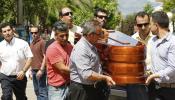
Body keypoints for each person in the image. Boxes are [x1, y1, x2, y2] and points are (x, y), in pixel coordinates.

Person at [69, 20, 115, 100]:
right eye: (99, 34)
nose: (100, 36)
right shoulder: (81, 48)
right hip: (82, 91)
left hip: (91, 88)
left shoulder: (91, 45)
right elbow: (87, 74)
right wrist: (105, 77)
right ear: (90, 35)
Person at [146, 11, 175, 100]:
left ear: (156, 25)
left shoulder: (172, 42)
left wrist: (154, 75)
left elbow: (172, 67)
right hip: (153, 88)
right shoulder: (152, 41)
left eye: (150, 24)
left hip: (169, 91)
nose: (149, 27)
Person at [0, 22, 33, 100]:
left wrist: (23, 71)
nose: (7, 33)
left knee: (21, 97)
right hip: (5, 76)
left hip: (19, 77)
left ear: (12, 30)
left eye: (9, 30)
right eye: (4, 31)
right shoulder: (0, 46)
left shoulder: (22, 43)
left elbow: (30, 58)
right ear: (1, 33)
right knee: (6, 96)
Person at [125, 11, 152, 100]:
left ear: (150, 23)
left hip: (154, 82)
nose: (143, 27)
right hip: (135, 83)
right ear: (136, 25)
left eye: (146, 24)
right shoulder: (131, 40)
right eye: (140, 25)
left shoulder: (157, 38)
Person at [46, 20, 73, 100]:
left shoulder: (70, 47)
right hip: (56, 89)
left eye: (66, 35)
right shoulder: (53, 48)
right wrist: (81, 70)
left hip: (69, 85)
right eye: (62, 36)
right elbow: (63, 69)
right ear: (56, 36)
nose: (65, 38)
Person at [29, 26, 48, 100]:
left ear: (39, 33)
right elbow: (31, 57)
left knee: (42, 91)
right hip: (33, 70)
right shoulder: (32, 43)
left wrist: (42, 70)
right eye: (32, 33)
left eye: (35, 32)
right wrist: (30, 70)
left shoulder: (42, 42)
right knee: (37, 91)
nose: (34, 34)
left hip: (40, 70)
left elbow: (45, 56)